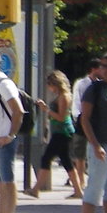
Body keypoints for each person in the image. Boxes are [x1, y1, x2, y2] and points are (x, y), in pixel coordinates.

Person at [78, 52, 107, 213]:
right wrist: (95, 145)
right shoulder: (94, 89)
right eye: (102, 65)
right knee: (94, 188)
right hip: (101, 145)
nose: (104, 69)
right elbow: (85, 118)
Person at [32, 70, 83, 199]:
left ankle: (36, 189)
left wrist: (46, 110)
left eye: (50, 84)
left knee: (46, 158)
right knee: (66, 161)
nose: (49, 88)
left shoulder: (64, 97)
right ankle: (78, 190)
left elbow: (61, 117)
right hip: (59, 131)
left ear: (55, 84)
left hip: (62, 131)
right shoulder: (60, 95)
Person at [0, 62, 25, 213]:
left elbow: (18, 111)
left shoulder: (3, 83)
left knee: (7, 181)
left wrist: (10, 135)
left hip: (3, 139)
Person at [71, 58, 103, 188]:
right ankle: (81, 180)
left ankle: (93, 178)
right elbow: (78, 101)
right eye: (100, 68)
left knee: (95, 148)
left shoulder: (101, 84)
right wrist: (79, 116)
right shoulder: (82, 83)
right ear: (94, 69)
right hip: (82, 117)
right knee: (80, 151)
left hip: (96, 120)